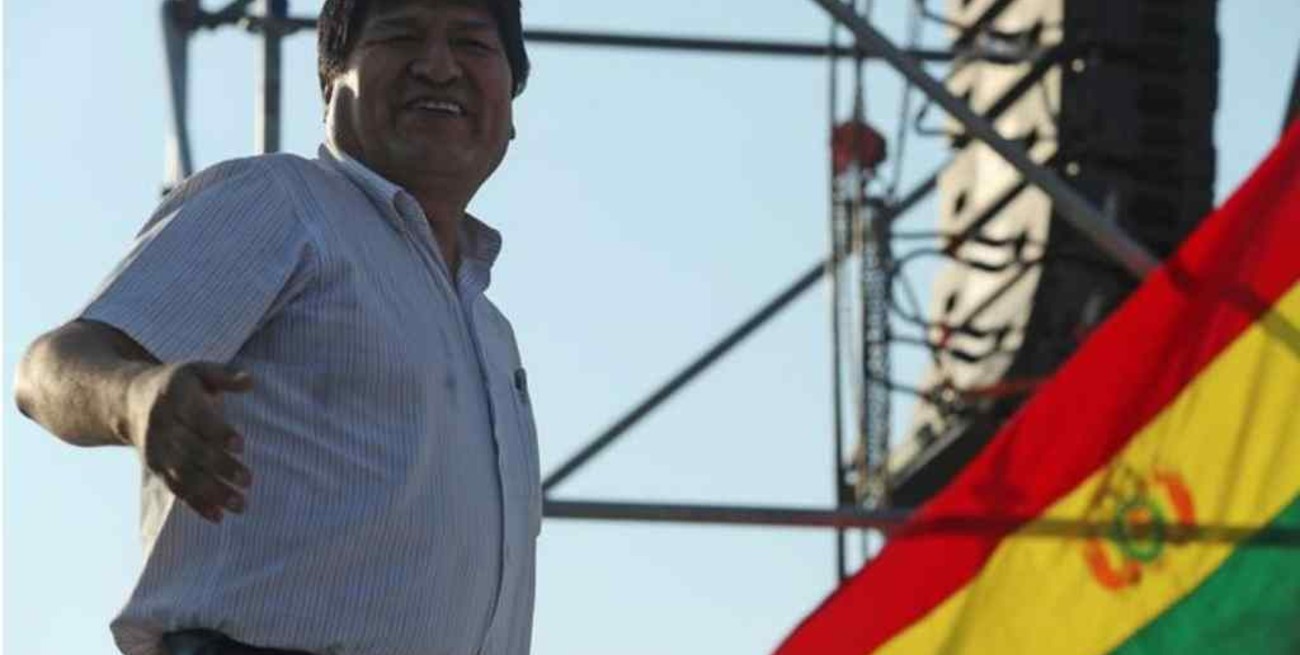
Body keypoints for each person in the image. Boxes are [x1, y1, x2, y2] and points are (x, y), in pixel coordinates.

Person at [14, 0, 539, 653]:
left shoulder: (490, 331)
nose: (437, 67)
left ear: (510, 109)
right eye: (402, 35)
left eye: (473, 44)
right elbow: (48, 368)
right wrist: (134, 398)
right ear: (331, 80)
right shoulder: (281, 202)